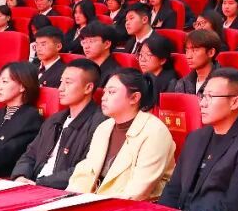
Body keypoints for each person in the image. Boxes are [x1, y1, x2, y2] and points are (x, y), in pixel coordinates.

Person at [160, 70, 238, 211]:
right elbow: (173, 189)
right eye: (202, 96)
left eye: (210, 96)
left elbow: (232, 206)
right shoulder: (196, 138)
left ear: (234, 102)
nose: (202, 103)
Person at [67, 69, 176, 201]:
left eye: (112, 92)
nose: (104, 97)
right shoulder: (104, 127)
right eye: (105, 91)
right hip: (97, 201)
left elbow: (138, 192)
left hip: (135, 207)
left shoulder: (155, 131)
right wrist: (70, 199)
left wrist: (95, 206)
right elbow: (86, 172)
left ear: (134, 98)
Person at [12, 59, 107, 189]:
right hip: (33, 185)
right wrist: (20, 176)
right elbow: (30, 154)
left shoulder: (100, 124)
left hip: (60, 190)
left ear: (88, 88)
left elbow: (84, 169)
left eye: (68, 83)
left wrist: (40, 183)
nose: (60, 88)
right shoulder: (55, 119)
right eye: (61, 81)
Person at [170, 29, 221, 94]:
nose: (188, 56)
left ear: (211, 52)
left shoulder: (224, 82)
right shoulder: (183, 84)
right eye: (187, 50)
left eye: (195, 50)